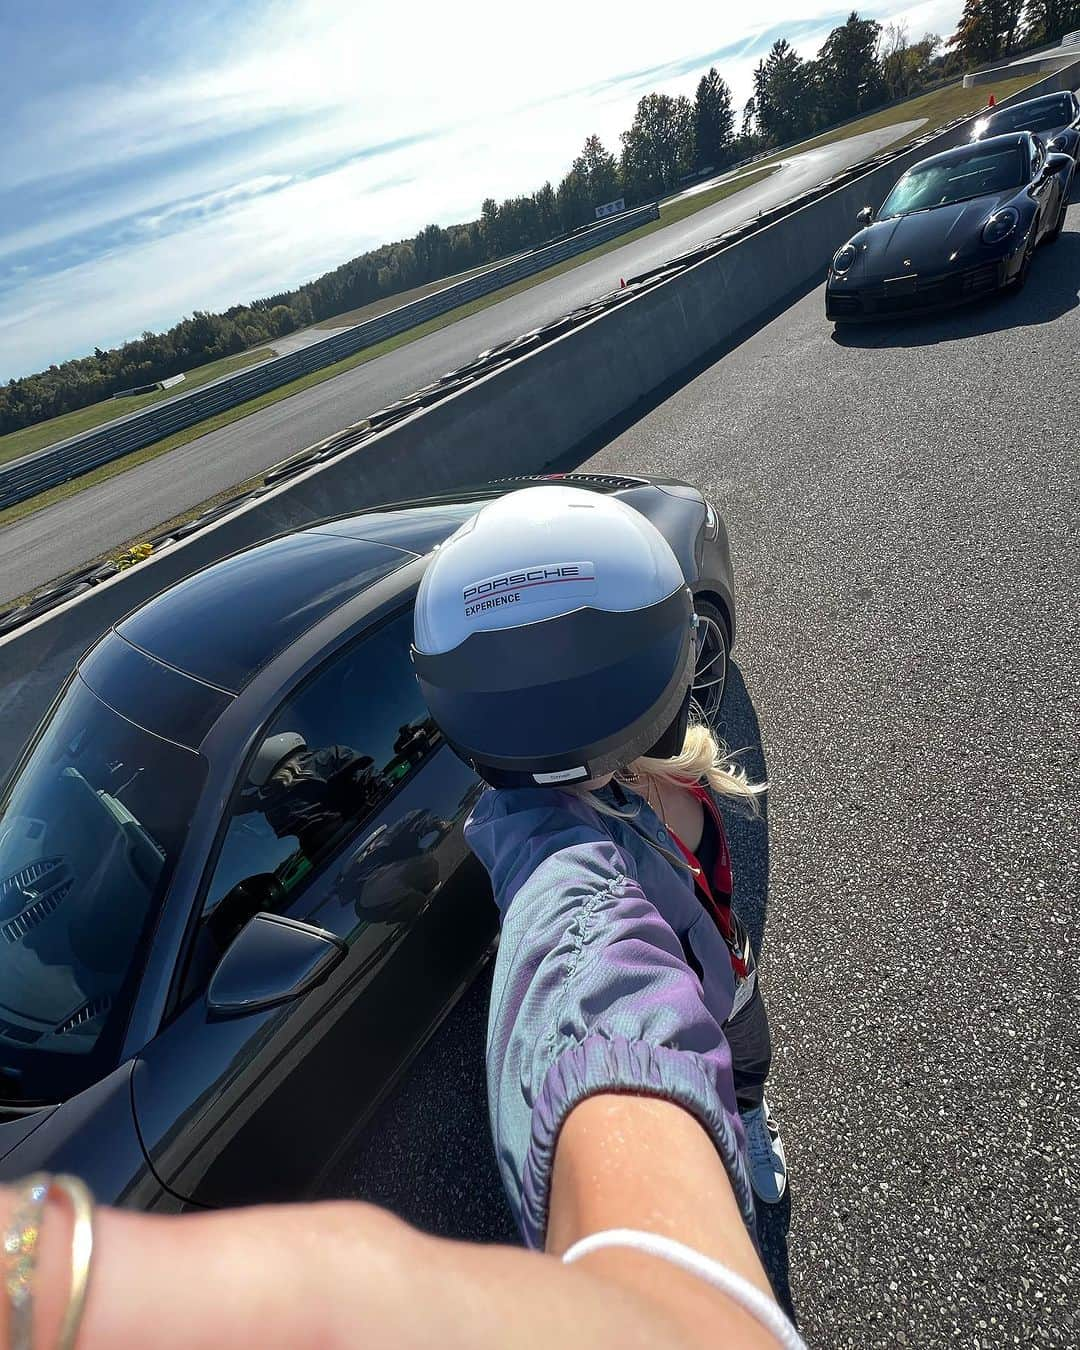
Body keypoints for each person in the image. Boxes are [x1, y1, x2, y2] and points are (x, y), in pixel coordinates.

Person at [410, 483, 788, 1249]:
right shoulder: (548, 852)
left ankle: (746, 1111)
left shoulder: (660, 769)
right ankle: (739, 1115)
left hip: (723, 957)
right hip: (702, 973)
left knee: (750, 1057)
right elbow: (586, 992)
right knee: (740, 1046)